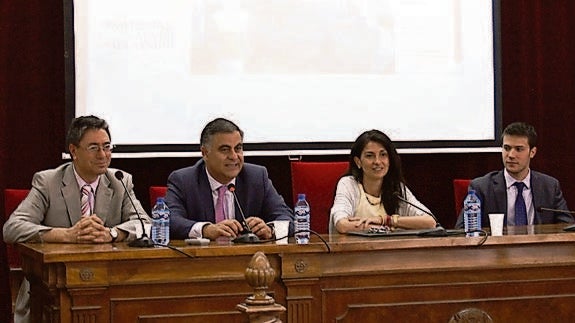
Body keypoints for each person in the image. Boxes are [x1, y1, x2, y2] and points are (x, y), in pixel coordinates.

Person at [3, 115, 150, 323]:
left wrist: (112, 233)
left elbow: (146, 224)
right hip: (51, 292)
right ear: (73, 151)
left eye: (107, 146)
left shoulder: (120, 180)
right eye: (93, 148)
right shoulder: (48, 181)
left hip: (110, 288)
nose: (103, 155)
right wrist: (68, 234)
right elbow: (12, 228)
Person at [165, 117, 294, 241]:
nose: (233, 156)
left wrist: (270, 229)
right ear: (205, 153)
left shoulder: (257, 178)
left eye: (238, 148)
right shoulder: (184, 180)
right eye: (225, 150)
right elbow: (168, 220)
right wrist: (206, 230)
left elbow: (287, 218)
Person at [455, 122, 574, 228]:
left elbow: (567, 227)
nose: (511, 155)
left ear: (532, 152)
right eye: (506, 148)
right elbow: (462, 230)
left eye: (518, 149)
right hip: (497, 251)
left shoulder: (549, 186)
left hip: (539, 250)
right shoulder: (481, 187)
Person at [330, 130, 436, 234]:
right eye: (369, 156)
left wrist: (386, 220)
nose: (377, 161)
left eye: (383, 155)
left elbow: (430, 222)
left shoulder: (396, 188)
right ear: (358, 162)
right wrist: (384, 229)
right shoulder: (348, 184)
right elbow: (342, 225)